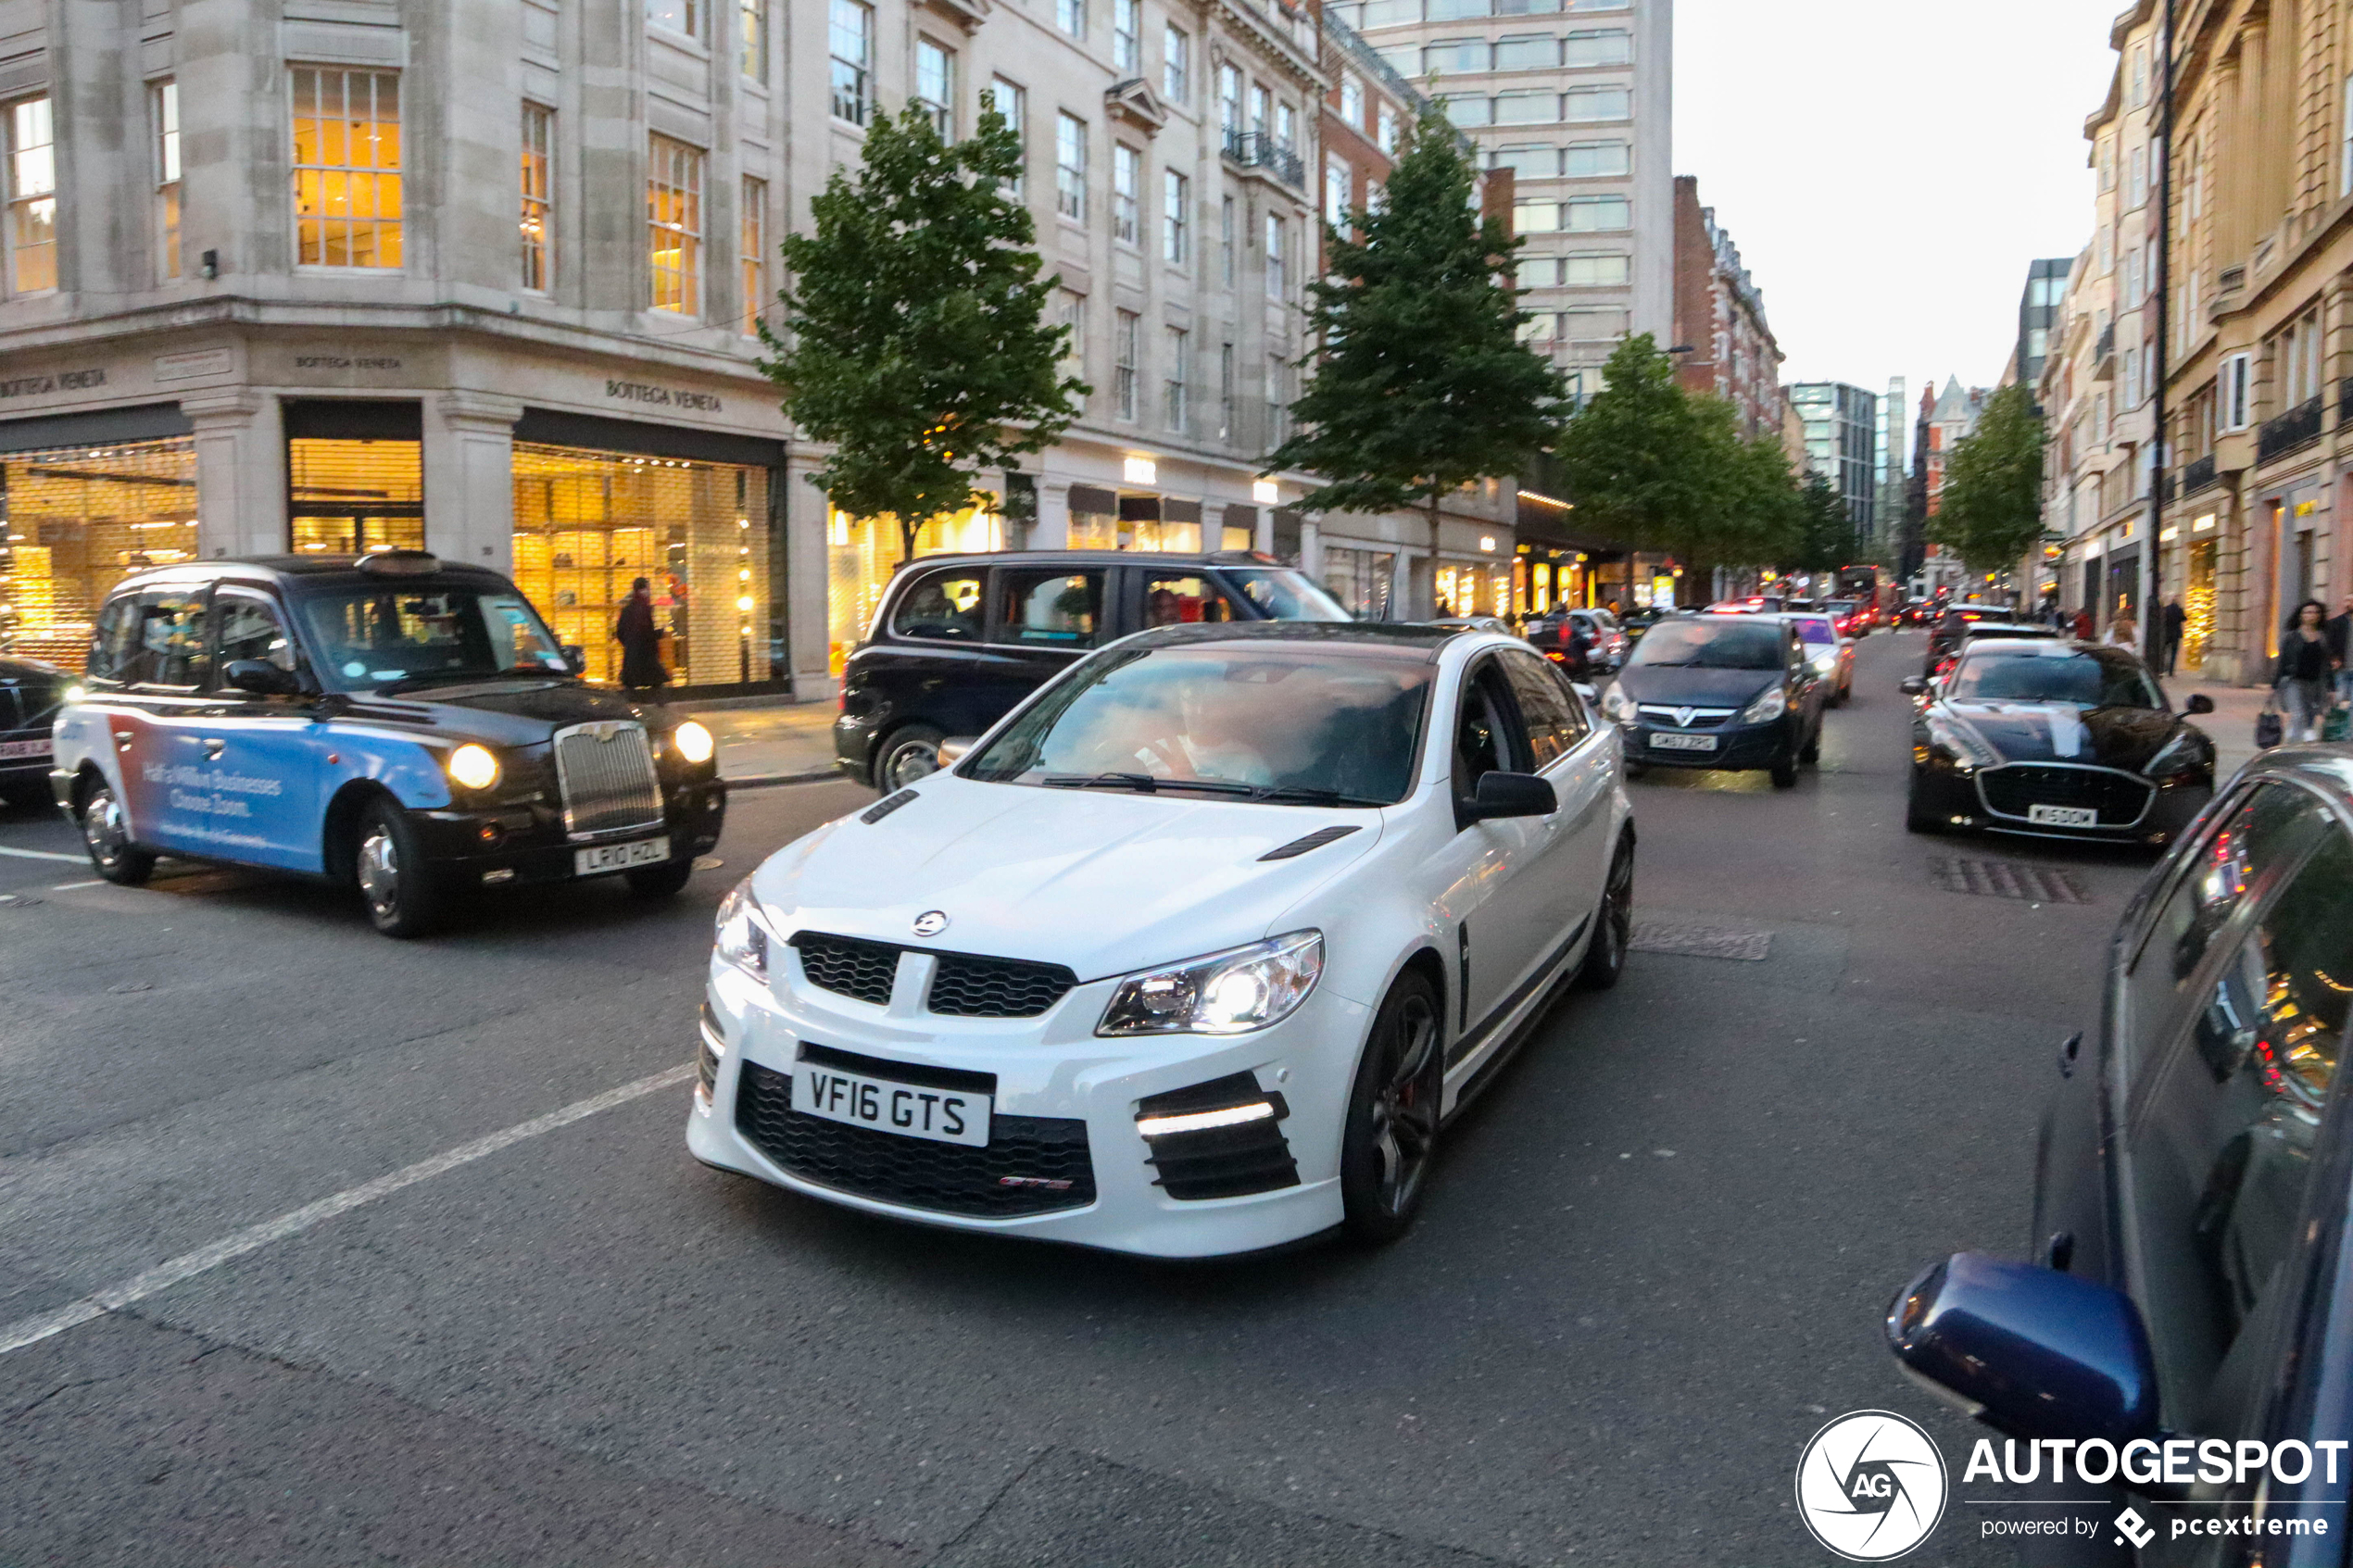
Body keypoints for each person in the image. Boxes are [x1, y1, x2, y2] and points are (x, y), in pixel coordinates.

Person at [2275, 599, 2334, 743]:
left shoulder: (2323, 638)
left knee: (2310, 716)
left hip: (2315, 684)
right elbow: (2283, 662)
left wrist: (2331, 687)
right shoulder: (2292, 637)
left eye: (2315, 612)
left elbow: (2327, 665)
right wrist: (2275, 684)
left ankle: (2298, 737)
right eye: (2308, 612)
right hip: (2293, 682)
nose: (2312, 615)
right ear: (2301, 615)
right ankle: (2294, 746)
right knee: (2298, 715)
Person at [615, 576, 670, 694]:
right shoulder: (644, 609)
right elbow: (646, 633)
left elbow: (620, 632)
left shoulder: (627, 609)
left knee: (631, 690)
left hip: (632, 656)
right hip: (646, 656)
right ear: (643, 590)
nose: (649, 592)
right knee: (657, 689)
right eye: (648, 588)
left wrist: (630, 644)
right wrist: (660, 633)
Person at [2327, 594, 2353, 707]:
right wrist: (2333, 658)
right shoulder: (2335, 623)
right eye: (2346, 600)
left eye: (2351, 601)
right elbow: (2328, 644)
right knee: (2339, 699)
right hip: (2341, 668)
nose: (2349, 604)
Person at [2161, 597, 2187, 676]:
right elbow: (2184, 619)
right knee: (2174, 652)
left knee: (2163, 651)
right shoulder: (2179, 610)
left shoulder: (2166, 609)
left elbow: (2163, 619)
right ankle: (2171, 671)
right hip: (2176, 634)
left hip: (2167, 633)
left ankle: (2162, 668)